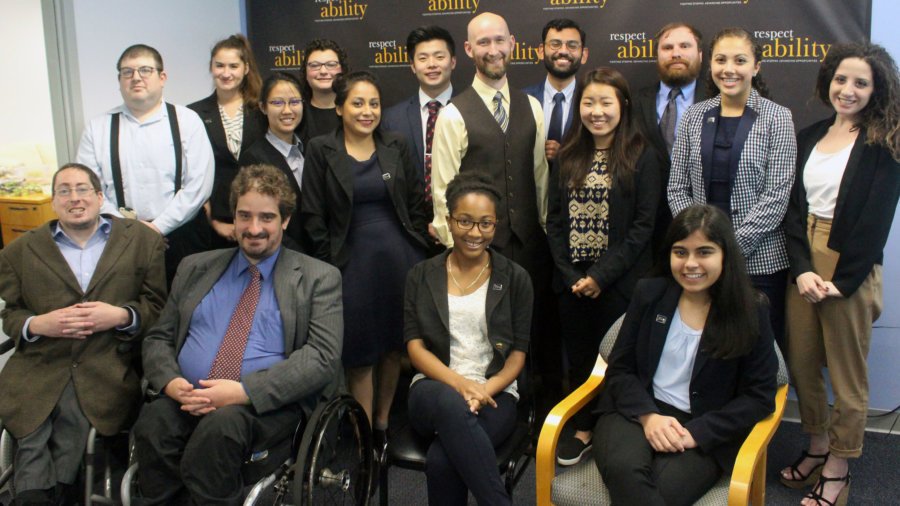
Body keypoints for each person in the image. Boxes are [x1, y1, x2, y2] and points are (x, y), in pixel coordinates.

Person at [132, 164, 342, 505]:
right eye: (244, 216)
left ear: (285, 220)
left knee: (221, 430)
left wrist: (244, 391)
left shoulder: (319, 278)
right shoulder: (195, 267)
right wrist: (170, 381)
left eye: (267, 218)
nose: (254, 228)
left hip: (264, 407)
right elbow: (159, 337)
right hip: (186, 395)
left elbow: (321, 358)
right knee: (154, 423)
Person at [0, 163, 167, 505]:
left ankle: (34, 494)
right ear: (53, 200)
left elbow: (160, 310)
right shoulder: (19, 252)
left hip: (107, 360)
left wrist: (121, 316)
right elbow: (11, 315)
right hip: (41, 362)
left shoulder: (141, 241)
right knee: (34, 416)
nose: (74, 198)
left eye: (82, 189)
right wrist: (37, 325)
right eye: (64, 191)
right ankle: (48, 493)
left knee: (68, 408)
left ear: (99, 196)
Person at [779, 42, 900, 506]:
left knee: (848, 376)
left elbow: (876, 220)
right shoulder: (809, 135)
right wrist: (802, 270)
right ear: (828, 81)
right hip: (807, 262)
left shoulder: (884, 141)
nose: (848, 90)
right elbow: (793, 211)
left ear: (877, 89)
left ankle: (839, 465)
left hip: (848, 263)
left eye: (861, 83)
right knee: (804, 363)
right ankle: (816, 445)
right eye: (841, 80)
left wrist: (841, 281)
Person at [593, 204, 778, 505]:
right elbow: (620, 369)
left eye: (704, 252)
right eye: (680, 252)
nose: (690, 263)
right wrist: (649, 417)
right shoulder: (649, 293)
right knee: (626, 471)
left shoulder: (751, 310)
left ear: (725, 255)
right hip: (635, 410)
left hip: (701, 426)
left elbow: (761, 396)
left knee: (659, 493)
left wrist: (698, 433)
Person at [430, 11, 559, 419]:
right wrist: (460, 253)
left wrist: (543, 231)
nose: (492, 49)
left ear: (512, 44)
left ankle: (542, 423)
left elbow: (539, 175)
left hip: (531, 247)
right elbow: (442, 191)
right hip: (481, 251)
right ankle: (497, 417)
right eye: (482, 43)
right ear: (468, 50)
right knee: (493, 339)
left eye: (499, 40)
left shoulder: (532, 106)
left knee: (535, 335)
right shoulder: (453, 113)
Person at [301, 71, 429, 448]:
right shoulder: (321, 149)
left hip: (399, 259)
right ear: (339, 107)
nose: (367, 111)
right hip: (349, 264)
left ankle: (382, 425)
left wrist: (419, 247)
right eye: (357, 103)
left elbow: (414, 204)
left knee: (392, 348)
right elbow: (313, 214)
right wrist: (330, 266)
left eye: (374, 103)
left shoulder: (397, 144)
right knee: (359, 355)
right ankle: (361, 437)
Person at [547, 67, 662, 466]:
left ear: (623, 106)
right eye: (589, 102)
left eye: (606, 102)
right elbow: (555, 221)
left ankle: (614, 430)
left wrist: (600, 276)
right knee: (579, 360)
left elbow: (644, 226)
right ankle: (581, 428)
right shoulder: (566, 155)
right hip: (572, 284)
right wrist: (572, 276)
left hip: (620, 283)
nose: (597, 111)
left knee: (617, 362)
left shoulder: (642, 155)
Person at [404, 172, 532, 506]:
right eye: (465, 222)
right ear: (449, 221)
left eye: (485, 224)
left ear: (496, 225)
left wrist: (483, 390)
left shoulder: (516, 278)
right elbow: (415, 348)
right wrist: (462, 386)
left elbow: (517, 356)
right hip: (433, 387)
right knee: (449, 403)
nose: (475, 233)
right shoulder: (421, 275)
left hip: (495, 393)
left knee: (443, 461)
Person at [667, 27, 795, 350]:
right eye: (721, 59)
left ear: (756, 66)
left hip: (760, 263)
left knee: (760, 352)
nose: (729, 69)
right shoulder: (694, 116)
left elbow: (776, 196)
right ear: (710, 64)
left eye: (740, 60)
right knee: (708, 350)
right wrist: (702, 244)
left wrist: (728, 248)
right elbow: (677, 187)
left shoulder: (777, 118)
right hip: (701, 262)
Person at [76, 44, 214, 284]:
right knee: (129, 313)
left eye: (145, 70)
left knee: (187, 312)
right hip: (118, 239)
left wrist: (158, 227)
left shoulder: (187, 121)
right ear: (119, 80)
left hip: (182, 238)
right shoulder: (97, 128)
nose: (136, 77)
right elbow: (88, 189)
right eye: (127, 72)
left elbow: (199, 185)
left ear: (162, 77)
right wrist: (130, 230)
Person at [633, 22, 707, 254]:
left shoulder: (719, 100)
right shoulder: (634, 102)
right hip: (646, 229)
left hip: (703, 223)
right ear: (657, 55)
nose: (676, 53)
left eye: (685, 46)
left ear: (700, 55)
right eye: (667, 47)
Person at [188, 34, 267, 250]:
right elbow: (192, 172)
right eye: (219, 65)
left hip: (260, 219)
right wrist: (213, 220)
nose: (226, 73)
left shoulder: (262, 110)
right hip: (215, 223)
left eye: (233, 66)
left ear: (246, 68)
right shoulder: (192, 114)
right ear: (211, 67)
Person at [382, 25, 457, 228]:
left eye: (439, 57)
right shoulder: (391, 119)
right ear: (413, 66)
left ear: (453, 61)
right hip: (410, 227)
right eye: (423, 58)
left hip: (460, 224)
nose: (431, 65)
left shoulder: (471, 111)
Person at [239, 72, 306, 250]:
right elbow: (260, 220)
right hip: (281, 256)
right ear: (263, 107)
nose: (287, 110)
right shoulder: (253, 158)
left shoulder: (308, 150)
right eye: (277, 102)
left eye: (294, 102)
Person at [523, 18, 589, 161]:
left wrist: (565, 156)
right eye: (555, 44)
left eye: (572, 45)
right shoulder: (521, 101)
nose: (563, 51)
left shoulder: (592, 103)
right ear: (541, 51)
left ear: (584, 55)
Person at [299, 39, 349, 143]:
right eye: (314, 65)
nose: (323, 71)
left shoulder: (354, 111)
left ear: (342, 70)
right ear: (305, 72)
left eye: (331, 65)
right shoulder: (295, 112)